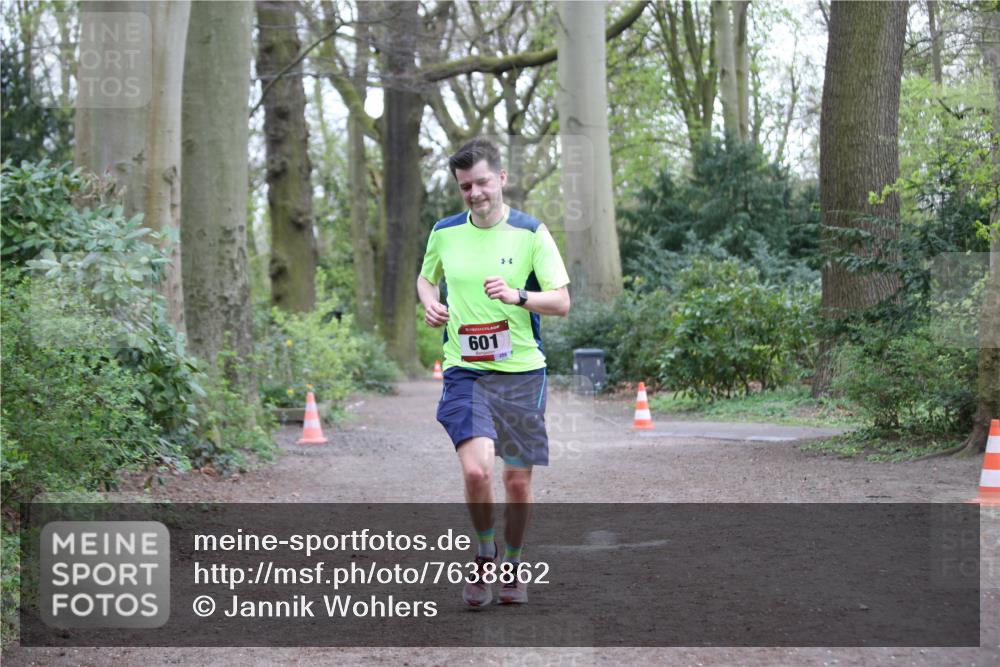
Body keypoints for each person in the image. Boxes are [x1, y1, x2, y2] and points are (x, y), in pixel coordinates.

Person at [416, 138, 571, 606]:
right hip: (466, 370)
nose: (475, 192)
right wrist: (429, 303)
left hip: (522, 371)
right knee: (478, 472)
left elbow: (562, 302)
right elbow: (426, 278)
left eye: (482, 181)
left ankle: (514, 564)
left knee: (516, 480)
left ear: (501, 179)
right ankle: (486, 556)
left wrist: (519, 296)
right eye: (466, 186)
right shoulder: (444, 232)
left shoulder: (531, 233)